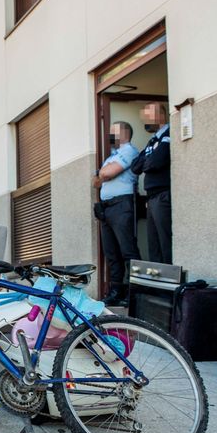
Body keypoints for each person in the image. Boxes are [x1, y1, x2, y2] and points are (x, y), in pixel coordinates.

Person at [94, 121, 141, 306]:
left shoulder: (129, 151)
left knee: (127, 250)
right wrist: (102, 173)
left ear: (123, 133)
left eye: (112, 132)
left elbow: (106, 174)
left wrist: (103, 173)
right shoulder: (112, 156)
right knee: (111, 253)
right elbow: (96, 181)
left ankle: (135, 292)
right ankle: (116, 291)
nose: (109, 136)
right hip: (107, 207)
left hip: (122, 204)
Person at [132, 102, 172, 264]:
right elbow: (135, 167)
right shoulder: (152, 141)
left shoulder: (168, 133)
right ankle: (158, 288)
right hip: (151, 198)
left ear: (160, 115)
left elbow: (156, 162)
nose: (145, 121)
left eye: (148, 117)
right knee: (153, 244)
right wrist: (148, 161)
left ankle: (171, 286)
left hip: (163, 195)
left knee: (165, 242)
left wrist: (147, 162)